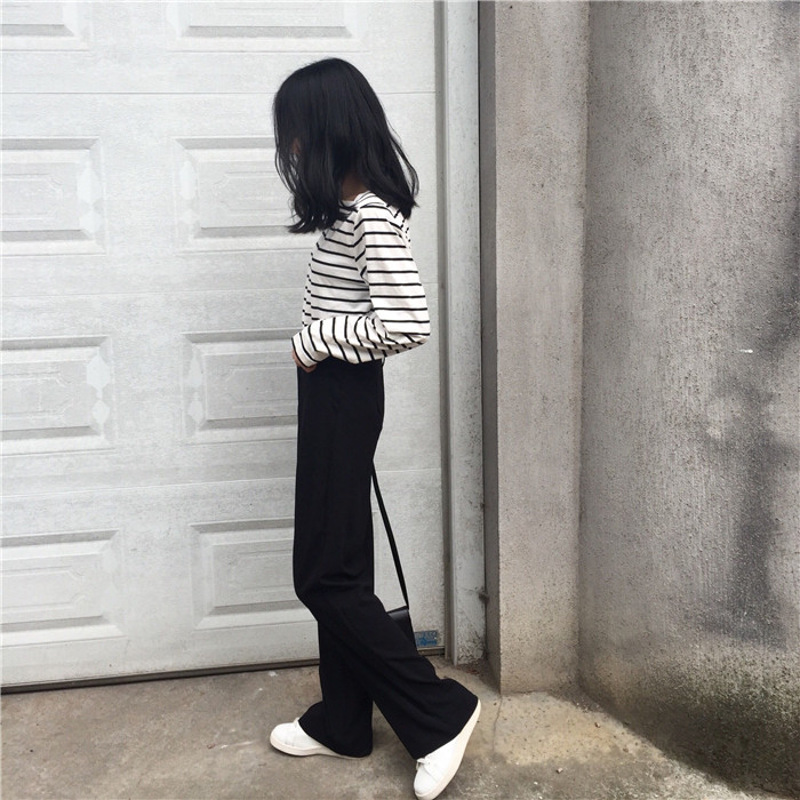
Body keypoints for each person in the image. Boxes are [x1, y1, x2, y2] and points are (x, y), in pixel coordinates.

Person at [268, 58, 480, 800]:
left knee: (322, 577)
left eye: (296, 134)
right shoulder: (349, 213)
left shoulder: (371, 218)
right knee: (344, 567)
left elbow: (407, 322)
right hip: (333, 396)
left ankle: (439, 713)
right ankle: (343, 721)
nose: (292, 149)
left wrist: (315, 339)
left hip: (344, 395)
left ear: (326, 131)